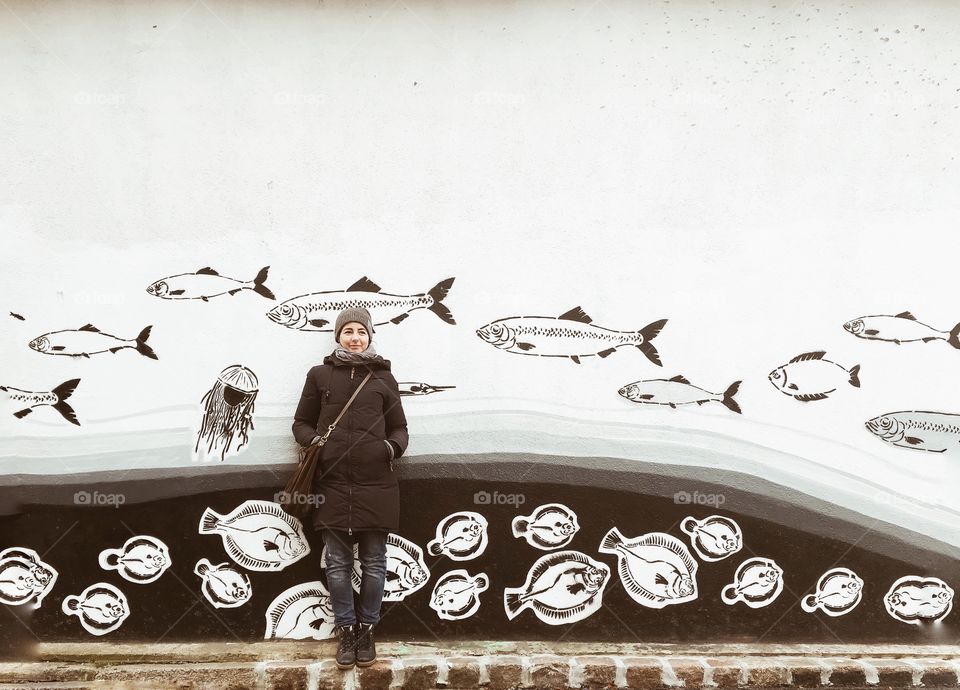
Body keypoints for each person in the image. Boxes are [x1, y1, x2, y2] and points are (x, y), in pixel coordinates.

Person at [292, 307, 408, 669]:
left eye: (361, 331)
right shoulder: (319, 375)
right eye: (348, 331)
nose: (355, 337)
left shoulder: (384, 378)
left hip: (377, 485)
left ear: (370, 336)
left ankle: (366, 629)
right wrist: (317, 445)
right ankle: (345, 629)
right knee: (338, 564)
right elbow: (300, 423)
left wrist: (388, 449)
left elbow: (400, 429)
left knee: (374, 563)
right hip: (332, 483)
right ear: (338, 336)